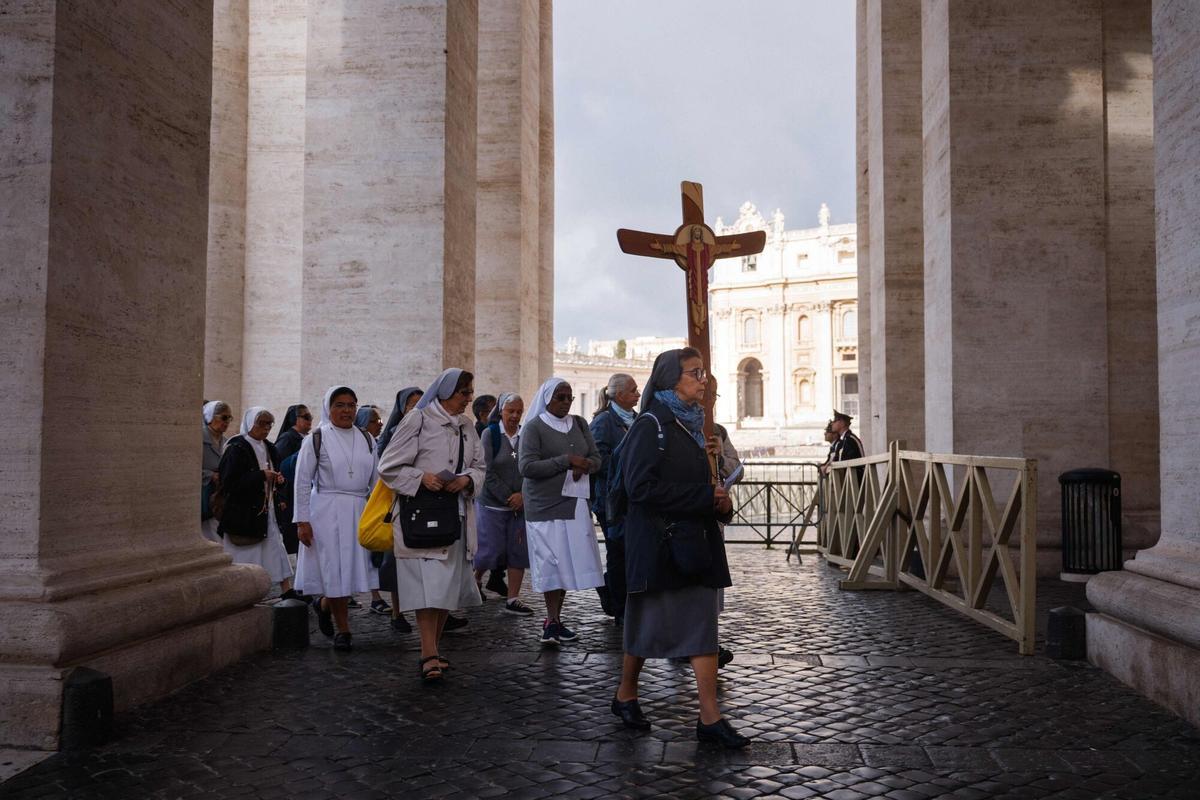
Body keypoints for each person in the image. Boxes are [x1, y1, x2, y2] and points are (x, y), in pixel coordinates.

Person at [612, 348, 748, 749]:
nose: (703, 380)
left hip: (695, 543)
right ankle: (625, 694)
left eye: (703, 372)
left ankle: (709, 717)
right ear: (672, 379)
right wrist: (703, 497)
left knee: (702, 626)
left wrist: (721, 503)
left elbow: (711, 485)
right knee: (644, 625)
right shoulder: (650, 425)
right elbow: (639, 488)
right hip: (660, 544)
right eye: (695, 373)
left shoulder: (697, 427)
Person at [378, 369, 486, 682]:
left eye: (469, 393)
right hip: (420, 517)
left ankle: (434, 648)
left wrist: (466, 480)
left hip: (456, 517)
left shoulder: (466, 426)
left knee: (445, 588)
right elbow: (388, 465)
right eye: (462, 393)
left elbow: (480, 466)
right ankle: (428, 653)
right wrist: (422, 478)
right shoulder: (418, 420)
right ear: (445, 391)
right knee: (428, 588)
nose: (468, 399)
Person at [293, 386, 380, 652]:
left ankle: (324, 605)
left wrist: (379, 515)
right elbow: (302, 481)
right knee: (334, 569)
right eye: (340, 405)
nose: (346, 410)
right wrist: (302, 520)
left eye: (351, 405)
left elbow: (376, 481)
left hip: (358, 509)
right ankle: (344, 629)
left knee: (350, 569)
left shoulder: (367, 439)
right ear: (328, 408)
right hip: (326, 511)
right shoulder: (317, 438)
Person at [518, 377, 603, 647]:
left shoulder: (579, 424)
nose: (566, 402)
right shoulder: (534, 428)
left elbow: (597, 459)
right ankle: (551, 619)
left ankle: (556, 619)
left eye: (569, 398)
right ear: (547, 399)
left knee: (565, 563)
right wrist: (565, 462)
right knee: (550, 562)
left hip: (574, 503)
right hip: (544, 505)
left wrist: (585, 464)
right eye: (560, 397)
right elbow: (527, 467)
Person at [216, 407, 296, 599]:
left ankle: (286, 590)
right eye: (262, 423)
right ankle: (242, 591)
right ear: (251, 423)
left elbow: (275, 472)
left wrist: (278, 481)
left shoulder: (269, 447)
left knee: (275, 548)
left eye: (270, 424)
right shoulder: (237, 447)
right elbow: (229, 482)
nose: (266, 428)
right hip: (244, 512)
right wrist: (261, 476)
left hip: (267, 510)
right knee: (246, 554)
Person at [474, 393, 534, 615]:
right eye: (511, 411)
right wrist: (509, 497)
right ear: (501, 411)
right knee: (491, 550)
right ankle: (476, 580)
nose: (515, 416)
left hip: (519, 506)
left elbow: (531, 466)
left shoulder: (525, 435)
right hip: (493, 504)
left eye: (519, 411)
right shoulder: (491, 435)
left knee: (517, 551)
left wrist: (523, 495)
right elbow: (486, 470)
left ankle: (513, 598)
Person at [589, 373, 641, 625]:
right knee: (618, 551)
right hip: (612, 500)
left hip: (636, 498)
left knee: (633, 551)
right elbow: (598, 461)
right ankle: (620, 606)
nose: (638, 394)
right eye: (633, 390)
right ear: (619, 395)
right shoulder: (603, 423)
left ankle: (622, 595)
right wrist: (630, 469)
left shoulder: (639, 420)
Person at [373, 387, 424, 634]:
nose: (415, 409)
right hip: (400, 504)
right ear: (402, 408)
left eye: (420, 403)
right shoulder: (394, 433)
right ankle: (397, 611)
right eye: (411, 404)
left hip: (424, 504)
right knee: (396, 561)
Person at [353, 404, 392, 615]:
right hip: (356, 505)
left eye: (380, 421)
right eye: (374, 421)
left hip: (370, 504)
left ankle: (375, 597)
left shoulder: (372, 443)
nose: (379, 424)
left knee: (372, 554)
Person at [274, 404, 313, 555]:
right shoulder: (288, 438)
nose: (310, 420)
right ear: (294, 419)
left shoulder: (305, 438)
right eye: (306, 417)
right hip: (290, 492)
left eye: (310, 417)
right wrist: (281, 495)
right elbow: (280, 466)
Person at [201, 401, 233, 543]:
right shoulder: (199, 437)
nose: (227, 422)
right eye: (224, 418)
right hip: (202, 491)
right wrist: (210, 475)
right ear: (211, 417)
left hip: (218, 494)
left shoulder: (225, 442)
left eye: (229, 418)